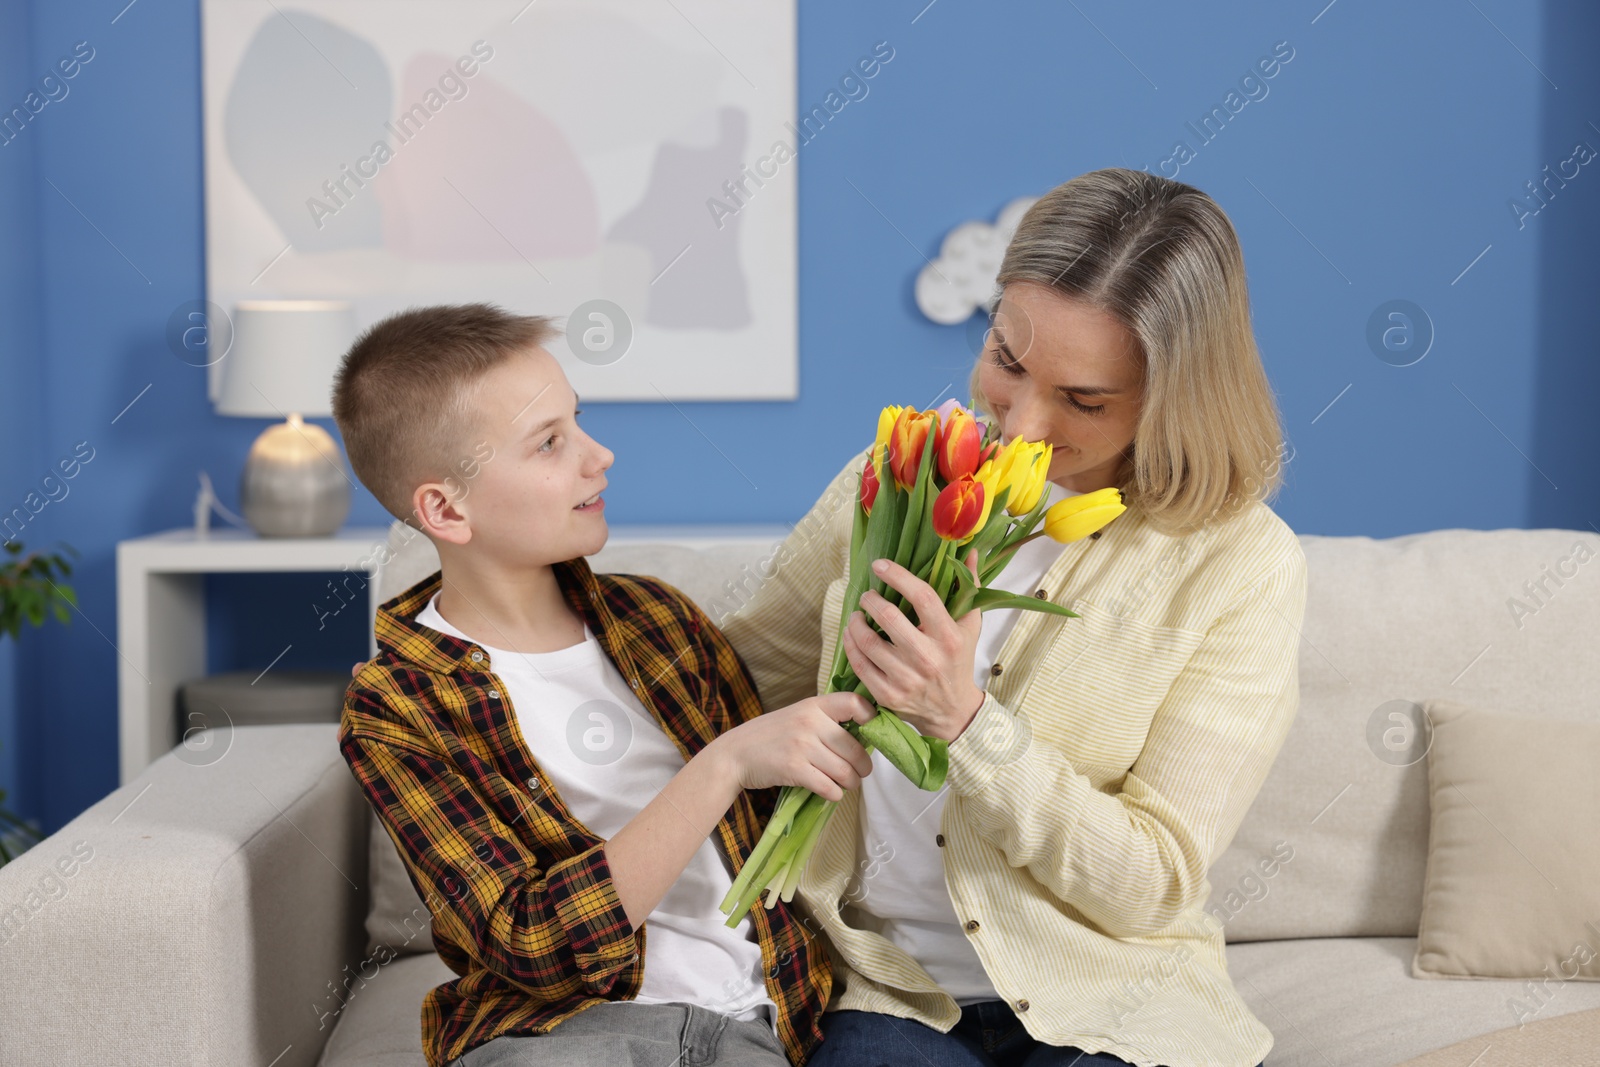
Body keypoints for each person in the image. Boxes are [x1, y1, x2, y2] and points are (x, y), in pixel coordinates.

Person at [717, 168, 1300, 1067]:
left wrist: (967, 725)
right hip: (886, 987)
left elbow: (1155, 883)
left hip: (1115, 996)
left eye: (1085, 400)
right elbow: (730, 689)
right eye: (1008, 361)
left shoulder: (1239, 564)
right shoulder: (904, 468)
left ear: (1177, 394)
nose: (1021, 425)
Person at [332, 303, 878, 1067]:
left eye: (578, 421)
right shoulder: (398, 706)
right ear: (446, 508)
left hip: (754, 1021)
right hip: (561, 1034)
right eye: (549, 443)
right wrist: (719, 766)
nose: (601, 456)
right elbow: (533, 941)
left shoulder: (659, 621)